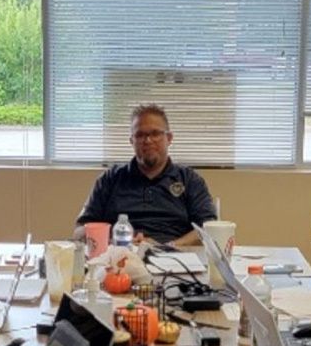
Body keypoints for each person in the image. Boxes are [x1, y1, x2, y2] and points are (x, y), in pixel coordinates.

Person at [74, 104, 216, 247]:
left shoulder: (190, 180)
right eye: (140, 135)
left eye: (155, 134)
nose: (147, 141)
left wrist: (166, 247)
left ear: (169, 138)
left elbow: (209, 228)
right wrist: (117, 242)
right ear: (132, 141)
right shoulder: (109, 180)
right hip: (119, 257)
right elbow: (80, 231)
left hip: (174, 258)